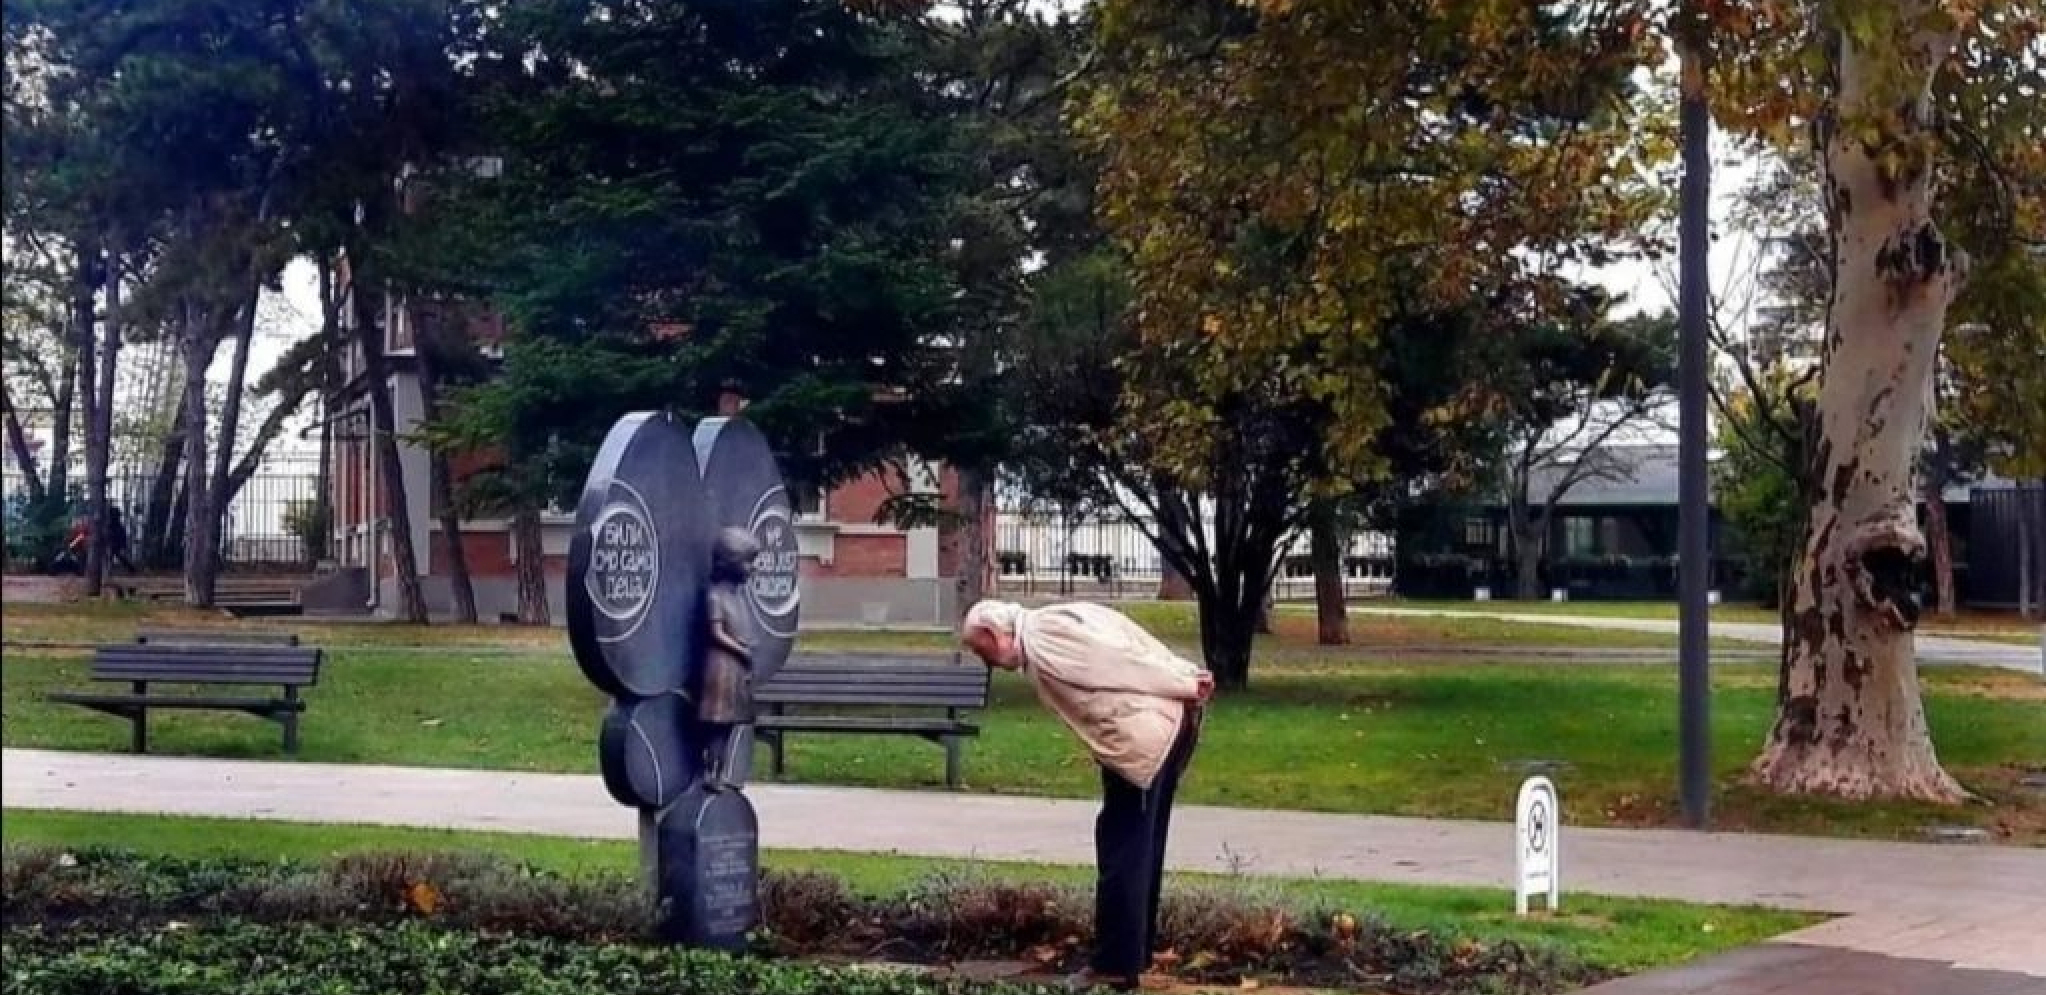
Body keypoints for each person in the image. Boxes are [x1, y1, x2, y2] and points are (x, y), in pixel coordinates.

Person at [961, 599, 1214, 993]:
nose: (986, 662)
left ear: (996, 635)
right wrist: (1183, 673)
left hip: (1143, 739)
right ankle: (1133, 955)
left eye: (982, 650)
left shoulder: (1046, 640)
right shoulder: (1058, 618)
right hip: (1159, 729)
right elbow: (1131, 638)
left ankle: (1115, 966)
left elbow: (1118, 663)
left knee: (1122, 850)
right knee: (1140, 845)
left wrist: (1185, 682)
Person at [696, 527, 760, 791]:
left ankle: (722, 773)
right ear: (730, 564)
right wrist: (742, 651)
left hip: (736, 671)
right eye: (748, 563)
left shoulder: (737, 598)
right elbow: (716, 633)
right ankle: (711, 774)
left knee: (731, 725)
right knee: (718, 726)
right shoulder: (715, 596)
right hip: (721, 669)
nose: (752, 569)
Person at [105, 506, 138, 574]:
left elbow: (122, 536)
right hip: (114, 542)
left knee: (115, 556)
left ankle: (131, 569)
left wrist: (123, 545)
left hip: (115, 542)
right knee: (114, 556)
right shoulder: (112, 524)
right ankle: (131, 569)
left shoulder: (116, 525)